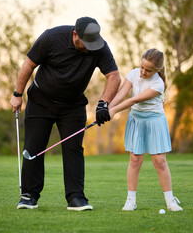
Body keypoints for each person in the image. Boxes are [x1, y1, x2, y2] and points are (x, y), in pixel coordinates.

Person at [10, 17, 121, 211]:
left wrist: (103, 103)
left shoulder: (99, 47)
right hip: (40, 101)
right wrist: (17, 95)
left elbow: (114, 76)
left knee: (74, 149)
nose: (89, 48)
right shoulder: (51, 37)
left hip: (73, 105)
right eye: (85, 44)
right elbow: (28, 65)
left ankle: (76, 198)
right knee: (33, 147)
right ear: (75, 34)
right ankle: (29, 196)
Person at [108, 48, 183, 211]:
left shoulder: (158, 83)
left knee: (159, 161)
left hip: (154, 121)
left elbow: (134, 100)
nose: (143, 72)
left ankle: (170, 201)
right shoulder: (134, 74)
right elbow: (122, 93)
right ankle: (130, 200)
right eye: (142, 67)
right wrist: (107, 109)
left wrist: (113, 111)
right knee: (135, 159)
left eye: (148, 70)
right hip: (136, 120)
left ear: (158, 70)